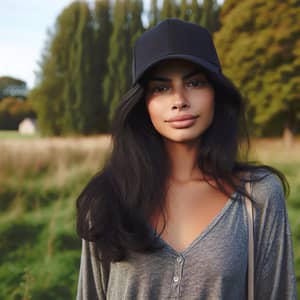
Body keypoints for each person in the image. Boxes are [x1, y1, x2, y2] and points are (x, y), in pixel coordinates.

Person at [76, 19, 297, 299]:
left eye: (194, 82)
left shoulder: (260, 196)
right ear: (143, 102)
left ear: (215, 93)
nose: (179, 100)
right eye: (161, 88)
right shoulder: (107, 197)